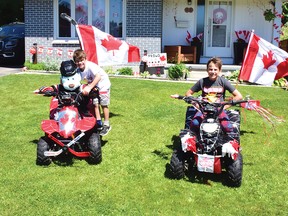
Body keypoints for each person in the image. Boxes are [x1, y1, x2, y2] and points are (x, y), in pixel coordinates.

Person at [172, 57, 243, 133]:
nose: (213, 72)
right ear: (207, 70)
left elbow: (239, 96)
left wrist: (225, 106)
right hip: (203, 109)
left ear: (220, 70)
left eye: (215, 69)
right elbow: (188, 93)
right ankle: (194, 141)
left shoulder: (223, 82)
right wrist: (196, 104)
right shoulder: (202, 81)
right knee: (195, 124)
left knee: (227, 127)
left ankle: (225, 141)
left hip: (218, 109)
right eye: (210, 69)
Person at [73, 49, 112, 136]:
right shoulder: (78, 70)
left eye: (81, 60)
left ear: (85, 59)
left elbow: (98, 77)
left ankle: (106, 124)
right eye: (77, 61)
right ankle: (96, 122)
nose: (80, 63)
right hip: (94, 86)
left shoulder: (90, 66)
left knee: (103, 104)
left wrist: (89, 87)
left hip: (103, 85)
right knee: (94, 103)